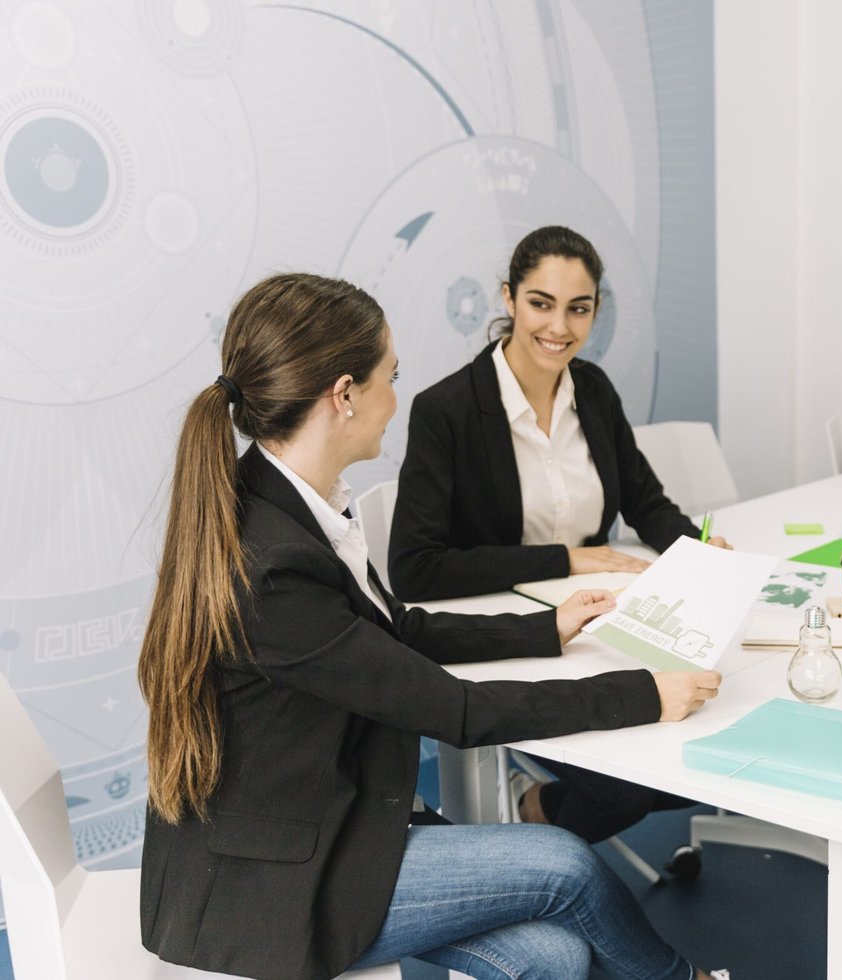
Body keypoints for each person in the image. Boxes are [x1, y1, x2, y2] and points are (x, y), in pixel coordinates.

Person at [137, 272, 728, 980]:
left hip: (325, 816)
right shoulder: (274, 567)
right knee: (565, 864)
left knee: (555, 955)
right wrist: (642, 693)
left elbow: (392, 633)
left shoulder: (288, 504)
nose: (397, 397)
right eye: (390, 376)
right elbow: (453, 709)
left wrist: (544, 630)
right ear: (344, 395)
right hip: (270, 880)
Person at [389, 225, 719, 841]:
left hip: (606, 625)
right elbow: (415, 566)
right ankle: (536, 814)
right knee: (630, 788)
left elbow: (646, 500)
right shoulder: (448, 410)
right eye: (541, 303)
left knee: (701, 736)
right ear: (509, 298)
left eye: (579, 308)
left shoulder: (592, 391)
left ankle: (536, 810)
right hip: (515, 637)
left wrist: (698, 551)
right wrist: (563, 558)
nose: (559, 327)